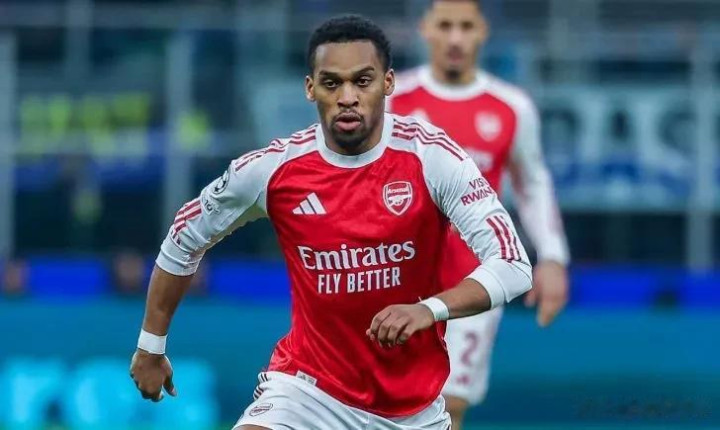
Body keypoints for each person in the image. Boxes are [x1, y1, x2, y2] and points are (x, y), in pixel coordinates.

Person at [129, 14, 532, 430]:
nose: (347, 97)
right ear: (310, 88)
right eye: (332, 83)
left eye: (363, 81)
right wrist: (150, 345)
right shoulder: (274, 170)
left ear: (388, 83)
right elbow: (184, 238)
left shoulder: (431, 156)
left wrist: (429, 310)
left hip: (411, 412)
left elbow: (513, 265)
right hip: (307, 394)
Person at [388, 1, 570, 428]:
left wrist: (553, 257)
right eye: (445, 25)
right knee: (386, 403)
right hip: (399, 274)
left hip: (476, 276)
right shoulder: (394, 99)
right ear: (426, 29)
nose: (455, 38)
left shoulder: (511, 106)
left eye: (466, 26)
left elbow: (532, 184)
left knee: (450, 404)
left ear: (482, 31)